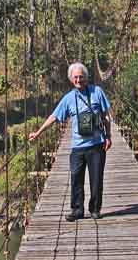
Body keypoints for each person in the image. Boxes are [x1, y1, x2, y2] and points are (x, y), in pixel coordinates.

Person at [29, 62, 112, 221]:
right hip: (78, 147)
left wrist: (108, 136)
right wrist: (38, 132)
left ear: (86, 77)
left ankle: (95, 209)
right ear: (71, 79)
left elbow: (106, 115)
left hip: (96, 145)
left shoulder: (97, 92)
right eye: (75, 77)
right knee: (76, 179)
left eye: (81, 77)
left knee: (96, 179)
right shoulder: (68, 99)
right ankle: (77, 210)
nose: (79, 80)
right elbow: (54, 116)